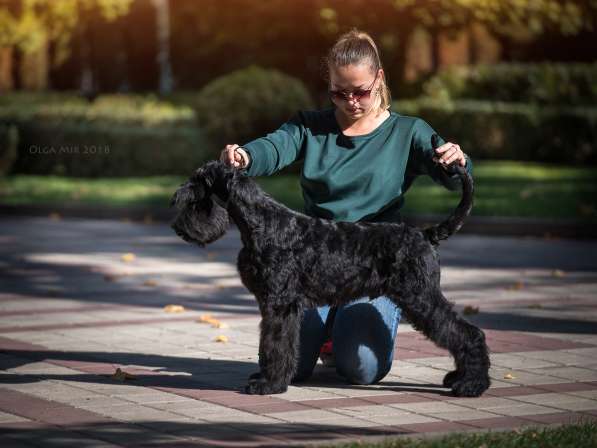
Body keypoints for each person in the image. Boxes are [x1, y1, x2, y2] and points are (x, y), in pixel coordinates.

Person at [220, 29, 471, 386]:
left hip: (380, 259)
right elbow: (275, 148)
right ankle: (328, 328)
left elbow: (452, 176)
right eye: (339, 92)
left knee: (361, 367)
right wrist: (245, 155)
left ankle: (471, 356)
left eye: (361, 91)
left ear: (379, 79)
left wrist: (457, 162)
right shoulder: (309, 126)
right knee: (293, 366)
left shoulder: (408, 131)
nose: (350, 100)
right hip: (314, 260)